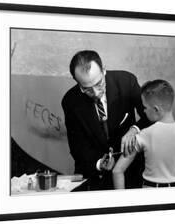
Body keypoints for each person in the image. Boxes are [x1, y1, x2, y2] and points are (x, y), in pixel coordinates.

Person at [61, 50, 150, 190]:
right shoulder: (70, 101)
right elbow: (77, 146)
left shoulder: (127, 82)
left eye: (99, 84)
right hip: (95, 175)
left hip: (130, 170)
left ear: (104, 70)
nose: (95, 93)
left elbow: (149, 117)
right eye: (87, 89)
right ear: (77, 81)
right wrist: (98, 163)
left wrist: (134, 129)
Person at [112, 79, 175, 189]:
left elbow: (117, 171)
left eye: (144, 107)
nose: (144, 111)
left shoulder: (144, 134)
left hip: (148, 194)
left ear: (156, 109)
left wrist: (122, 203)